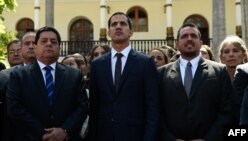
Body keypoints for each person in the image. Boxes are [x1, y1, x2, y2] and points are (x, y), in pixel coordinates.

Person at [6, 26, 88, 141]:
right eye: (44, 41)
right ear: (35, 47)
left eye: (53, 42)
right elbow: (14, 108)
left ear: (59, 48)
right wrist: (41, 133)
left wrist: (64, 130)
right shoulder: (19, 75)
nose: (49, 44)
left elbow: (82, 107)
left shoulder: (74, 76)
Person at [89, 12, 159, 141]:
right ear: (109, 32)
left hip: (135, 135)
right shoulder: (97, 65)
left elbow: (153, 105)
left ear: (131, 32)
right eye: (114, 24)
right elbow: (94, 106)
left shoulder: (145, 63)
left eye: (123, 23)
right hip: (104, 135)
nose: (118, 26)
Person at [158, 23, 233, 141]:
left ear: (201, 43)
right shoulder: (161, 74)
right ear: (177, 44)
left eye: (193, 36)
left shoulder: (219, 71)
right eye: (184, 36)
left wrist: (208, 139)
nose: (189, 39)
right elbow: (157, 112)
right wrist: (170, 139)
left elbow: (227, 111)